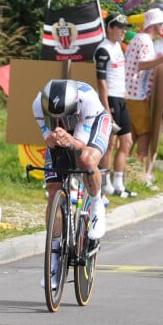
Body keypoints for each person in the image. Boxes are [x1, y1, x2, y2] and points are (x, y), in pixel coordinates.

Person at [33, 79, 112, 287]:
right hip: (69, 131)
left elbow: (80, 145)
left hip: (94, 124)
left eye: (64, 117)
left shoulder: (89, 101)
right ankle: (55, 259)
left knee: (85, 160)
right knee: (53, 190)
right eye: (54, 118)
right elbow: (48, 140)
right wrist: (53, 138)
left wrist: (68, 139)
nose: (59, 122)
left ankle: (96, 205)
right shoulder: (37, 104)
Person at [124, 8, 163, 187]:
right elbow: (142, 65)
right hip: (136, 94)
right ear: (153, 24)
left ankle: (125, 173)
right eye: (162, 23)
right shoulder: (145, 40)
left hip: (133, 92)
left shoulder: (140, 38)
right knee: (145, 135)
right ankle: (138, 176)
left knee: (133, 136)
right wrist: (162, 59)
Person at [94, 13, 137, 198]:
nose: (123, 31)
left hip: (120, 98)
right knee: (110, 143)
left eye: (124, 27)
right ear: (109, 28)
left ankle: (119, 183)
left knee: (127, 141)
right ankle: (105, 183)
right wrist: (105, 109)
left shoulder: (118, 46)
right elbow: (101, 82)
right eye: (119, 27)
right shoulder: (103, 50)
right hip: (109, 99)